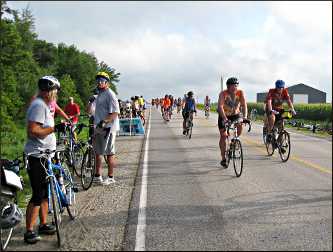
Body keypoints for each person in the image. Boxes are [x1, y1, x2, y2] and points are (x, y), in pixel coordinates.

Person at [23, 76, 61, 244]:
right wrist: (53, 129)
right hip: (36, 156)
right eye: (55, 91)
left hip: (44, 155)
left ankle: (43, 223)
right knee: (38, 194)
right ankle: (29, 230)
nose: (56, 95)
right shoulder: (39, 105)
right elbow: (33, 130)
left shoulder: (43, 105)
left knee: (45, 193)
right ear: (49, 91)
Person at [93, 71, 120, 185]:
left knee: (109, 152)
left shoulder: (110, 94)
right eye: (98, 80)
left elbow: (115, 113)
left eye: (102, 81)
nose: (99, 82)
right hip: (100, 126)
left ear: (107, 83)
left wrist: (104, 122)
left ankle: (110, 177)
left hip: (109, 127)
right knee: (97, 152)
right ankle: (97, 176)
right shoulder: (99, 93)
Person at [217, 77, 248, 168]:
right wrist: (225, 119)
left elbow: (244, 104)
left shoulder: (240, 93)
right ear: (228, 86)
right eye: (231, 86)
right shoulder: (223, 94)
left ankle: (235, 141)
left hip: (236, 115)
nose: (234, 88)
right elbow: (220, 107)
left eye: (235, 86)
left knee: (240, 125)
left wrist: (245, 116)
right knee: (223, 135)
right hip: (224, 115)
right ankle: (223, 158)